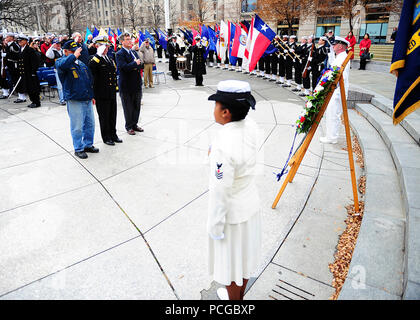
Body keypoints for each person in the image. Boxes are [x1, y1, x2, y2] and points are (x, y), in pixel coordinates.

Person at [207, 80, 261, 301]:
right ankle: (238, 296)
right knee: (245, 261)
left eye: (217, 105)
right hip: (250, 204)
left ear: (226, 112)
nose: (214, 110)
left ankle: (234, 301)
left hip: (232, 216)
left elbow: (220, 191)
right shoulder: (251, 127)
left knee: (230, 265)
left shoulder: (223, 145)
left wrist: (215, 225)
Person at [56, 40, 98, 159]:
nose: (77, 53)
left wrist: (92, 95)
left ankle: (88, 145)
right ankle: (78, 148)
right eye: (73, 51)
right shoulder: (61, 62)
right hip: (75, 99)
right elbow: (62, 65)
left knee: (90, 125)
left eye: (77, 51)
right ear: (65, 51)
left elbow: (88, 80)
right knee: (77, 126)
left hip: (86, 98)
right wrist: (73, 57)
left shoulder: (81, 63)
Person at [88, 35, 122, 146]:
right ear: (97, 46)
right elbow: (91, 67)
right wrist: (98, 54)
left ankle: (113, 134)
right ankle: (106, 137)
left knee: (112, 115)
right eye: (103, 46)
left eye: (106, 46)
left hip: (111, 92)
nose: (106, 48)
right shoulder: (94, 58)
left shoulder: (109, 58)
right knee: (104, 116)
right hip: (101, 93)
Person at [320, 37, 350, 144]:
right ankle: (331, 136)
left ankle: (332, 137)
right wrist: (331, 53)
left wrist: (335, 88)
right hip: (336, 89)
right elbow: (332, 66)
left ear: (340, 46)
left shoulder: (343, 57)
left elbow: (343, 76)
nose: (333, 46)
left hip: (338, 90)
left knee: (333, 114)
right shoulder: (340, 56)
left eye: (335, 44)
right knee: (331, 113)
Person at [115, 32, 144, 136]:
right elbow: (122, 67)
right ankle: (129, 126)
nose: (130, 41)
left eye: (130, 39)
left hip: (136, 83)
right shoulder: (119, 54)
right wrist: (134, 64)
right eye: (127, 39)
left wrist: (139, 64)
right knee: (128, 107)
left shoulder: (133, 52)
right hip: (126, 85)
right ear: (122, 42)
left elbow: (140, 64)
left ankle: (135, 124)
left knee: (136, 106)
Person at [16, 34, 41, 108]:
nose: (19, 42)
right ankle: (33, 101)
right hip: (24, 73)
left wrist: (33, 72)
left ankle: (36, 102)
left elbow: (34, 62)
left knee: (33, 89)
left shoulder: (29, 50)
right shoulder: (21, 49)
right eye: (18, 41)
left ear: (26, 41)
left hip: (30, 73)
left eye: (21, 40)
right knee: (29, 88)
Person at [45, 38, 65, 105]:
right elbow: (47, 55)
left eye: (59, 43)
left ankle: (66, 98)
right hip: (58, 70)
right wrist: (51, 47)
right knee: (60, 86)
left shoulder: (62, 50)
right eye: (57, 44)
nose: (58, 45)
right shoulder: (53, 51)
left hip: (64, 69)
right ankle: (62, 100)